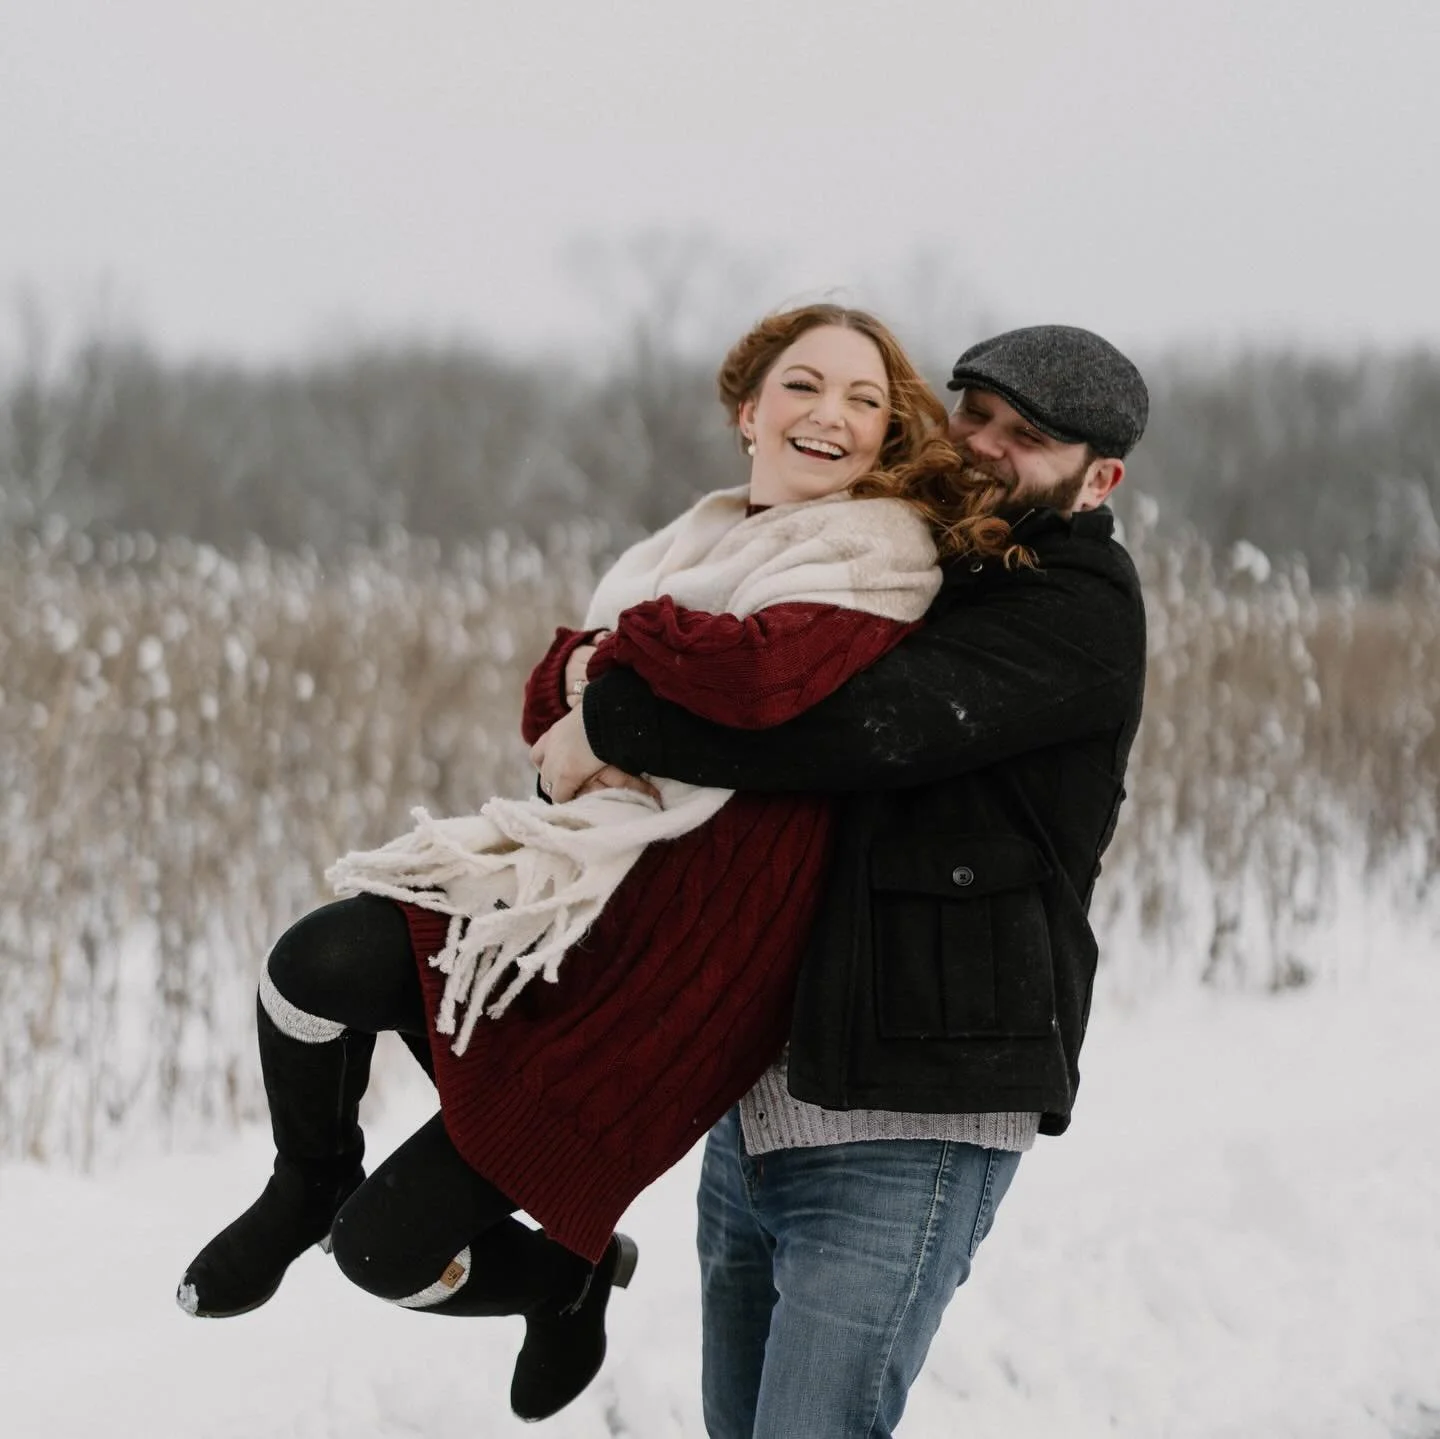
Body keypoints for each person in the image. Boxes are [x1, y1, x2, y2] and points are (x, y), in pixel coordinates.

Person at [175, 304, 1029, 1424]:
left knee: (383, 1252)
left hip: (684, 952)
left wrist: (604, 678)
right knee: (313, 963)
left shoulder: (879, 552)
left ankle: (564, 1281)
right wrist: (601, 689)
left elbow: (755, 678)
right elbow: (552, 694)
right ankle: (308, 1174)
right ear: (749, 410)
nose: (831, 413)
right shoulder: (696, 539)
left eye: (864, 400)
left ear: (885, 437)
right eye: (804, 385)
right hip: (588, 883)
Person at [536, 324, 1150, 1438]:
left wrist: (610, 719)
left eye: (1028, 437)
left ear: (1098, 479)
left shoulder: (1076, 608)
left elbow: (848, 728)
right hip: (766, 1101)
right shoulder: (904, 549)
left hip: (916, 1114)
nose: (983, 444)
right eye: (974, 413)